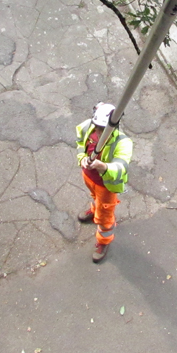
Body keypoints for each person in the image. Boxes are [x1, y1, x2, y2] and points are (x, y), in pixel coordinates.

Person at [75, 102, 133, 263]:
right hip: (89, 178)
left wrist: (104, 166)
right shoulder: (88, 127)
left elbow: (121, 167)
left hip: (106, 186)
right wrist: (82, 158)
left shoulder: (123, 143)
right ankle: (94, 209)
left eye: (103, 129)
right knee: (95, 198)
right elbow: (80, 142)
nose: (99, 133)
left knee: (105, 216)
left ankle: (103, 242)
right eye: (98, 128)